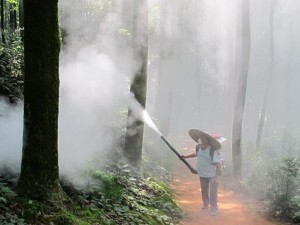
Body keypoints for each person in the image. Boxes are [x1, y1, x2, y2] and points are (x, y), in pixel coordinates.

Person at [182, 129, 224, 216]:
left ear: (207, 140)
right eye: (200, 138)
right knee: (204, 190)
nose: (201, 139)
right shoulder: (198, 147)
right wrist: (186, 156)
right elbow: (196, 154)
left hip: (212, 175)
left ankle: (214, 208)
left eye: (203, 138)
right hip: (202, 174)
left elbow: (218, 164)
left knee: (213, 192)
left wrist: (217, 177)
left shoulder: (212, 150)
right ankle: (205, 203)